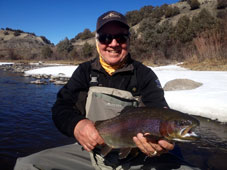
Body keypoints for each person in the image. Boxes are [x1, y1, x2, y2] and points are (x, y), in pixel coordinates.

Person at [14, 11, 199, 170]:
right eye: (105, 37)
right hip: (92, 153)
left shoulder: (144, 75)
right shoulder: (85, 72)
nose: (113, 43)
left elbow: (158, 107)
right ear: (97, 41)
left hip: (140, 159)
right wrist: (77, 125)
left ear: (128, 40)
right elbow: (61, 108)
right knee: (28, 164)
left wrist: (161, 145)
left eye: (120, 37)